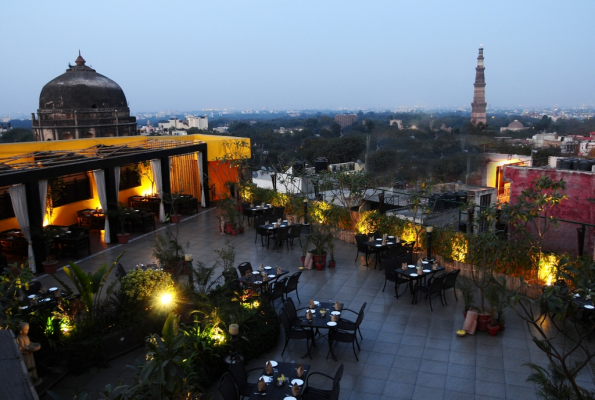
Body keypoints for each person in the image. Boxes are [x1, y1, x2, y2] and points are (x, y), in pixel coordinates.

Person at [16, 322, 42, 386]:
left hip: (29, 353)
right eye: (26, 329)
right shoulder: (20, 337)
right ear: (21, 331)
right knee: (28, 365)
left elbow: (29, 342)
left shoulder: (26, 336)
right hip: (25, 354)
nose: (27, 331)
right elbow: (22, 346)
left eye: (28, 329)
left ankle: (33, 377)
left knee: (32, 364)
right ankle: (29, 379)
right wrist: (29, 348)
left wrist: (34, 344)